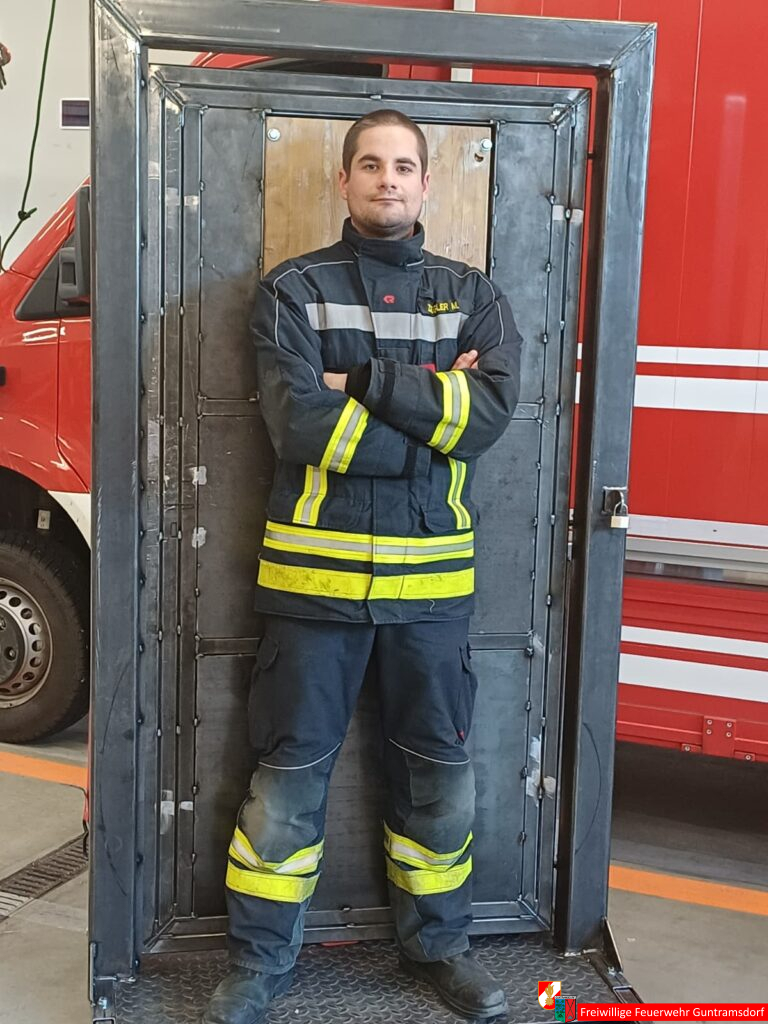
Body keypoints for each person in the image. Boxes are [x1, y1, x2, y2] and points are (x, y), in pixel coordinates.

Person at [202, 108, 523, 1024]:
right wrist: (431, 420)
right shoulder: (292, 291)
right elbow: (300, 425)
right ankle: (260, 963)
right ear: (342, 180)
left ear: (426, 183)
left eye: (404, 165)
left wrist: (366, 383)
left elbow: (487, 418)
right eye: (372, 164)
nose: (389, 179)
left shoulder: (474, 295)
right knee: (284, 789)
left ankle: (442, 949)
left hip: (431, 598)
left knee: (440, 783)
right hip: (314, 595)